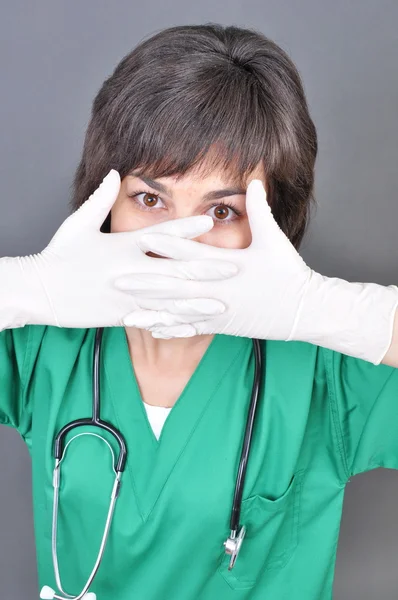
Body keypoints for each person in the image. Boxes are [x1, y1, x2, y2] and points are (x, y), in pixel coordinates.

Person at [1, 22, 398, 600]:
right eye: (149, 198)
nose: (175, 243)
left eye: (221, 213)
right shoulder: (44, 345)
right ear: (103, 202)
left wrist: (326, 309)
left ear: (273, 223)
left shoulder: (326, 371)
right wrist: (24, 287)